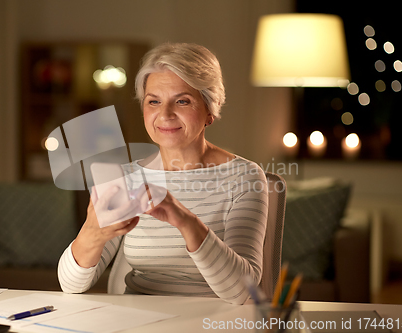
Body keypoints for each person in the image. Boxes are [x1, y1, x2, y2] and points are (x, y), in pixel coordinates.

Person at [58, 42, 268, 305]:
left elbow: (241, 291)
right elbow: (70, 285)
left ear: (210, 111)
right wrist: (91, 233)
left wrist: (185, 221)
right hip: (138, 320)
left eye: (182, 101)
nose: (165, 114)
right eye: (154, 101)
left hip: (213, 320)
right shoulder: (126, 178)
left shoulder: (244, 176)